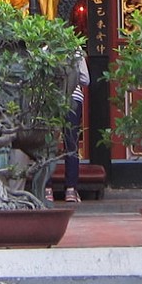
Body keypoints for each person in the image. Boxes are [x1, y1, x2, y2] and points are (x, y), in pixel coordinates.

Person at [55, 46, 91, 203]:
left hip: (52, 99)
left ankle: (47, 188)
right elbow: (86, 80)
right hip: (73, 100)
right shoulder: (76, 52)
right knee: (72, 143)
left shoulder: (45, 49)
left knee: (49, 144)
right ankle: (70, 189)